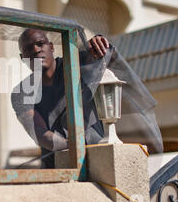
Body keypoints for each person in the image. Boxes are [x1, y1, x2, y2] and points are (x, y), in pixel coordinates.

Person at [11, 28, 111, 169]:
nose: (35, 50)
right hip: (57, 167)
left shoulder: (75, 66)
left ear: (51, 47)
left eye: (40, 43)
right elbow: (38, 132)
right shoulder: (21, 93)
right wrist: (75, 146)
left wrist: (99, 42)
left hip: (97, 159)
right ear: (23, 58)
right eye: (28, 48)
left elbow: (103, 54)